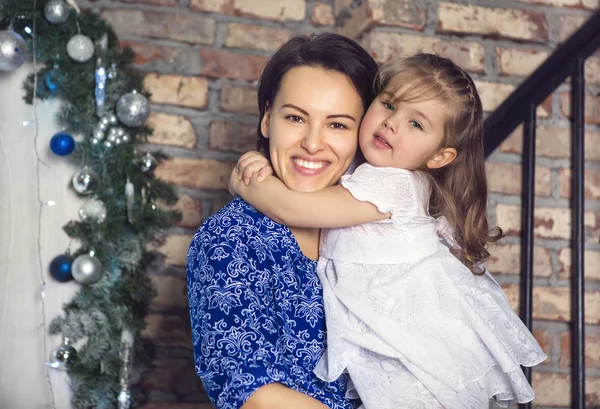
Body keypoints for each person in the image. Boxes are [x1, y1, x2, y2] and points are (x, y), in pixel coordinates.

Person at [229, 53, 547, 408]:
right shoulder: (359, 175)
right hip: (389, 346)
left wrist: (246, 181)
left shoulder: (396, 186)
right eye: (389, 105)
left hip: (415, 351)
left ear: (439, 157)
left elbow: (291, 207)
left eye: (416, 124)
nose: (392, 123)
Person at [186, 32, 379, 409]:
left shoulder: (373, 229)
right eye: (295, 117)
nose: (312, 143)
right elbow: (252, 393)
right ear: (266, 119)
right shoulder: (232, 237)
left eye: (337, 125)